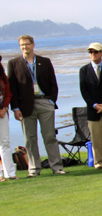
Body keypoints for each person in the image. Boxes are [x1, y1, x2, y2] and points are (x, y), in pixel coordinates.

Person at [6, 35, 64, 176]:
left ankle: (56, 167)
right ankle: (33, 169)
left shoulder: (45, 62)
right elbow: (12, 87)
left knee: (49, 136)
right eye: (22, 45)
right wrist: (15, 108)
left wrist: (51, 101)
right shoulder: (14, 63)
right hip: (25, 105)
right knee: (30, 139)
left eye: (27, 44)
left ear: (33, 45)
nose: (25, 47)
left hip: (45, 102)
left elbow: (53, 84)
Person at [0, 55, 15, 181]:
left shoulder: (2, 77)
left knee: (5, 142)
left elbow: (8, 93)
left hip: (2, 113)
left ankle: (9, 173)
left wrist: (4, 108)